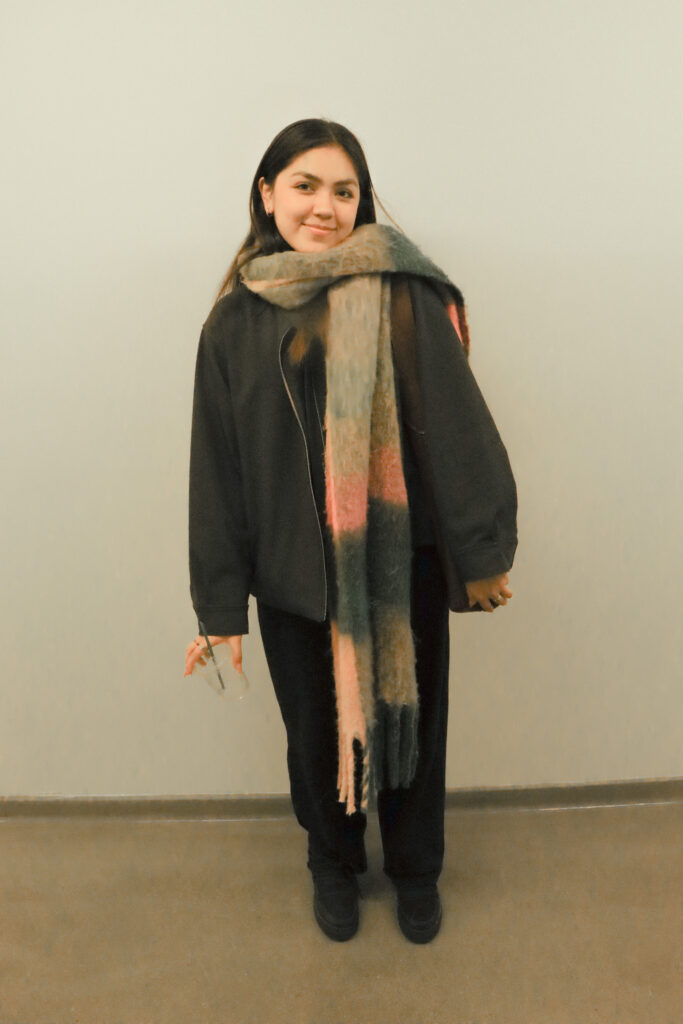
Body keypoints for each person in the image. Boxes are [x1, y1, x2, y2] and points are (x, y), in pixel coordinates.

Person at [184, 118, 518, 944]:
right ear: (267, 194)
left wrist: (481, 552)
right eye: (304, 186)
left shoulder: (403, 292)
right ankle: (331, 864)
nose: (324, 207)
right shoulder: (233, 324)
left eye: (344, 190)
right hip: (295, 576)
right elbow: (217, 469)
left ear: (362, 201)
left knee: (412, 727)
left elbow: (456, 425)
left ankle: (415, 872)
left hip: (400, 565)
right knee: (314, 739)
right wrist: (219, 607)